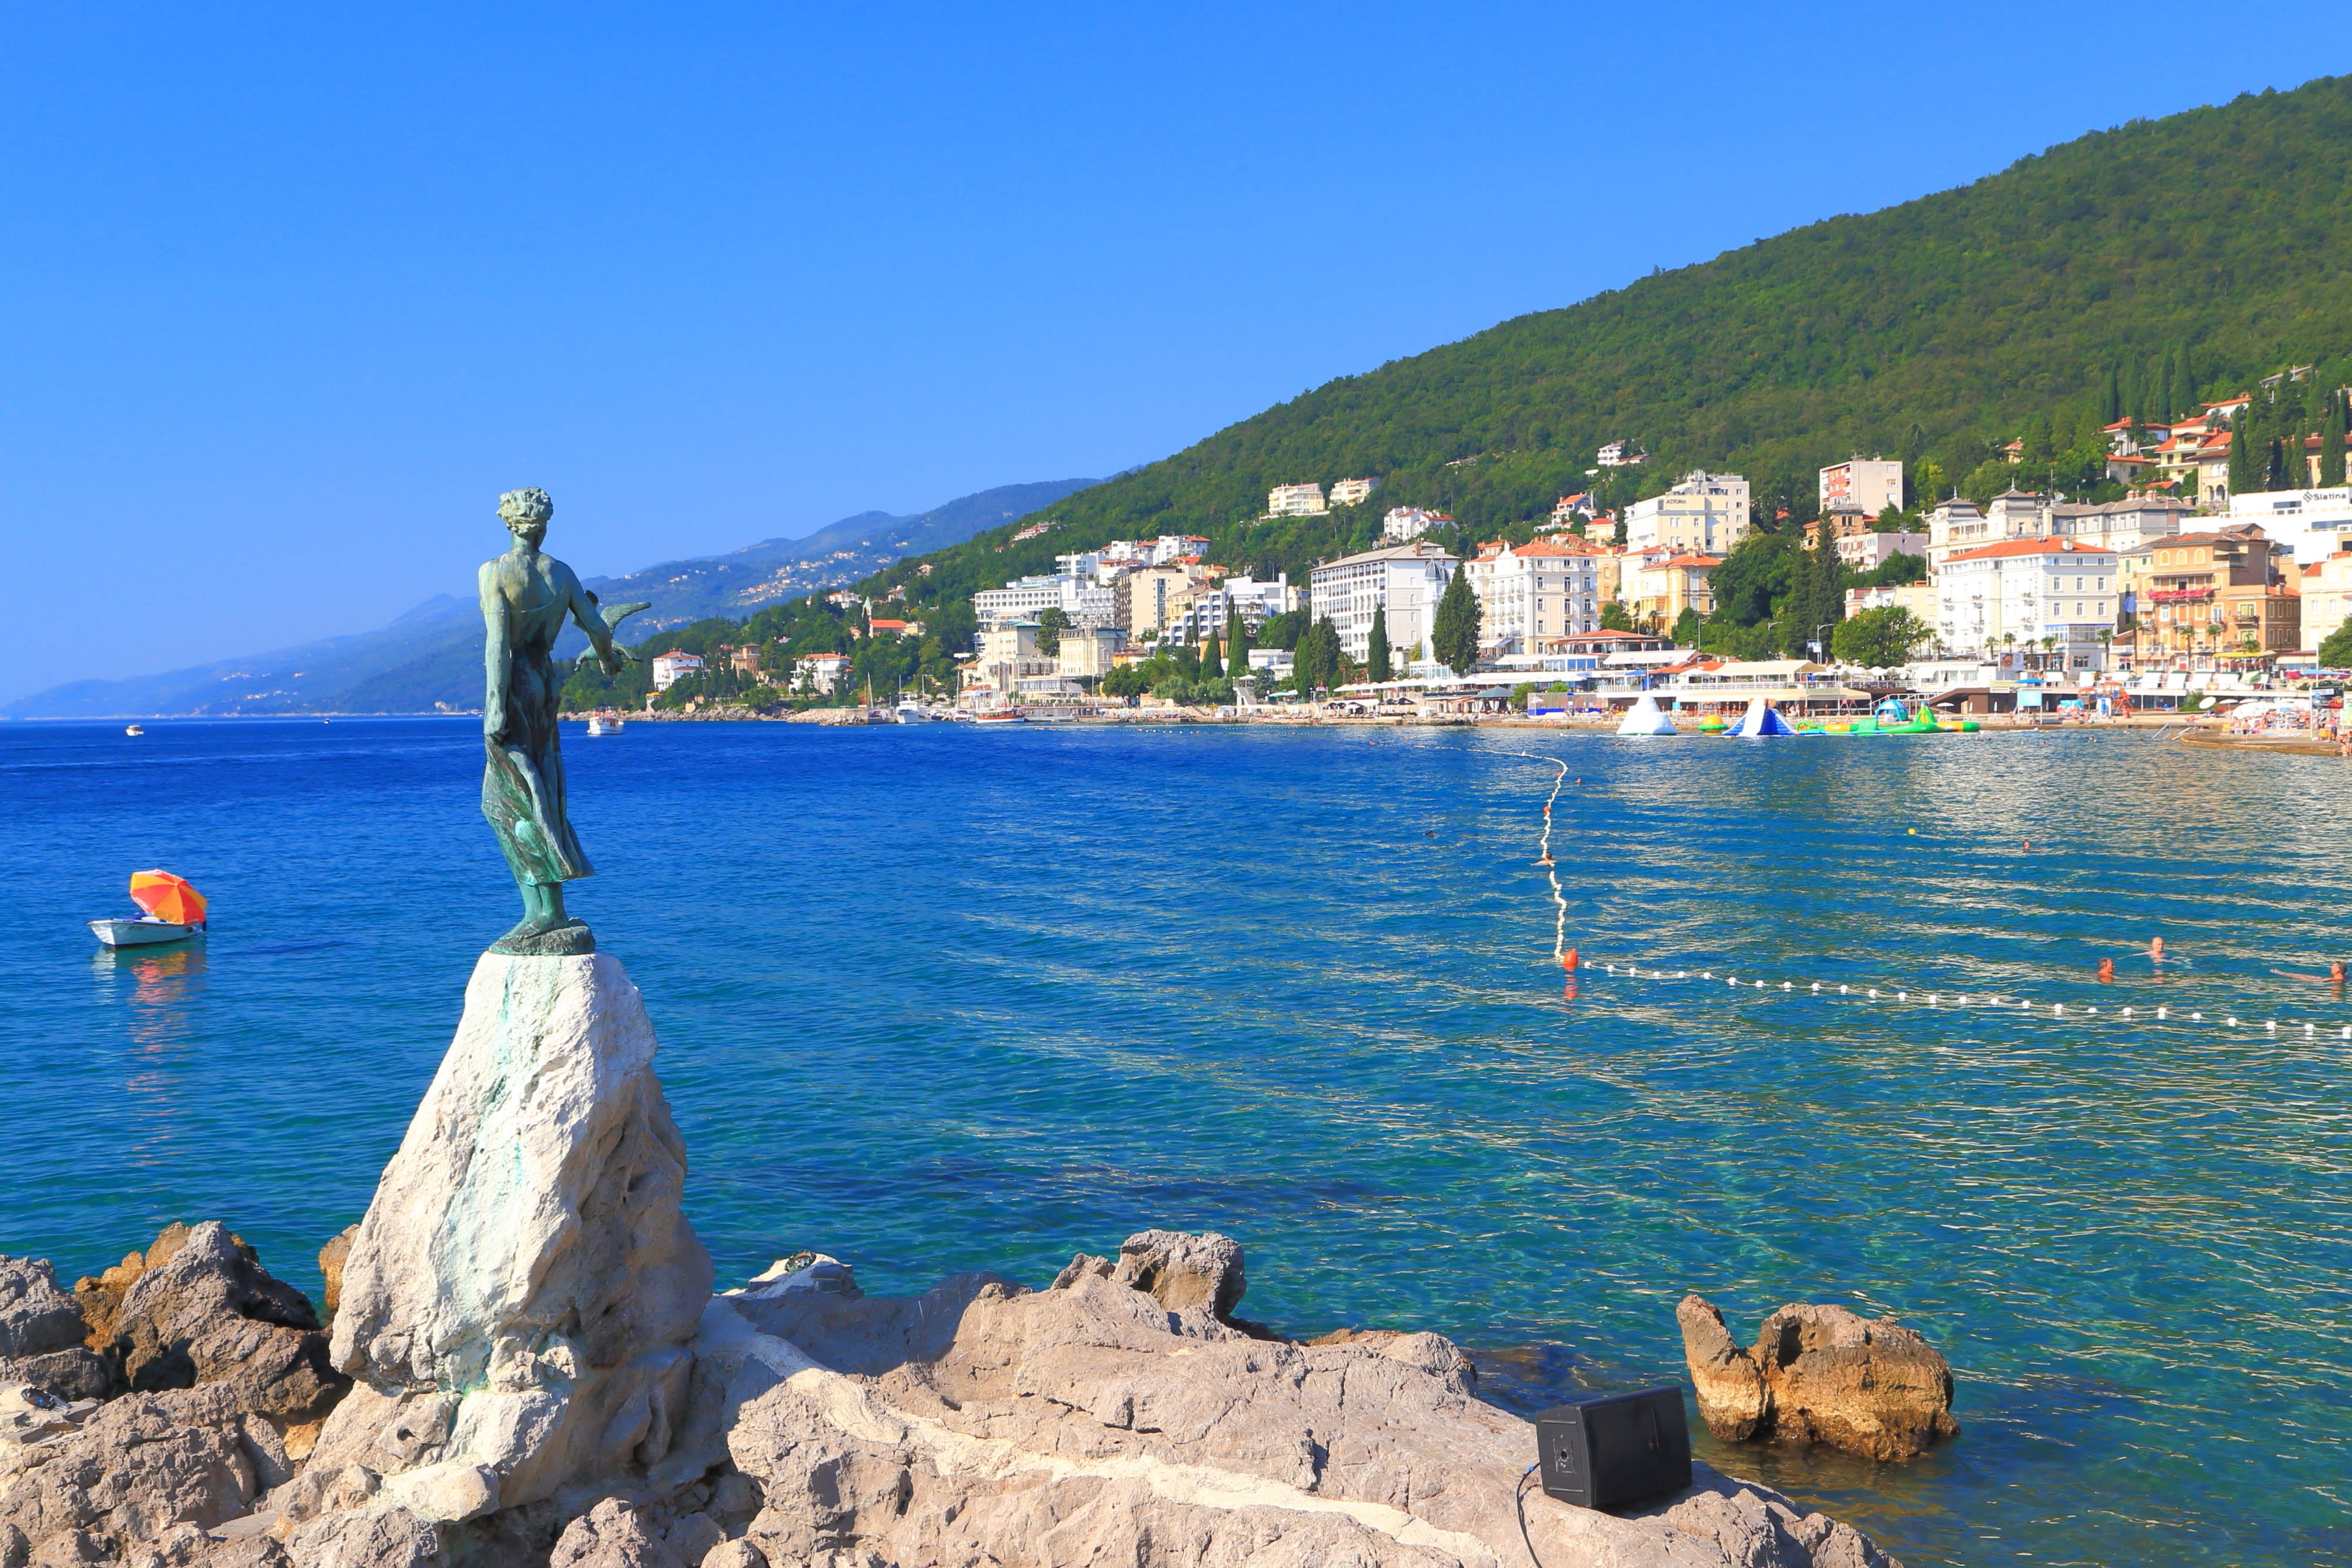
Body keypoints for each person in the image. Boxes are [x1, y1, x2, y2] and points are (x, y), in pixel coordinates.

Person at [479, 487, 639, 954]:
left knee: (504, 802)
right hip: (546, 683)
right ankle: (551, 908)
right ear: (543, 525)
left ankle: (542, 913)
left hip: (515, 683)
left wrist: (495, 706)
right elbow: (598, 628)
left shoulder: (495, 572)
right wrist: (606, 659)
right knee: (542, 789)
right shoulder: (561, 574)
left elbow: (497, 643)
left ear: (508, 522)